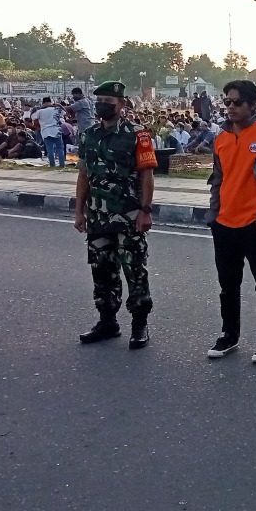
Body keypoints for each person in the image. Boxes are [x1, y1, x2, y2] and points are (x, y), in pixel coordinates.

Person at [72, 81, 159, 347]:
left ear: (122, 105)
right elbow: (84, 175)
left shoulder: (138, 135)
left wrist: (145, 211)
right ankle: (107, 320)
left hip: (129, 216)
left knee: (134, 269)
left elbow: (147, 175)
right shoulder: (89, 135)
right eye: (99, 101)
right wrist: (79, 213)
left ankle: (139, 324)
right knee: (101, 269)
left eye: (109, 102)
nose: (102, 106)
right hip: (98, 217)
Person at [205, 80, 256, 363]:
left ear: (253, 105)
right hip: (224, 224)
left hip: (255, 226)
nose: (230, 107)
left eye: (236, 102)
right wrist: (213, 215)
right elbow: (218, 179)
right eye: (227, 102)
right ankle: (229, 335)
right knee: (228, 286)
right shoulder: (221, 139)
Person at [32, 97, 65, 167]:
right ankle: (62, 164)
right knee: (59, 148)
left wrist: (39, 108)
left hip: (46, 131)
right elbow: (65, 112)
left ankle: (52, 164)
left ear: (43, 103)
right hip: (56, 130)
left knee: (49, 149)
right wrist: (58, 105)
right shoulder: (56, 109)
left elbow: (32, 117)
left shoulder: (40, 111)